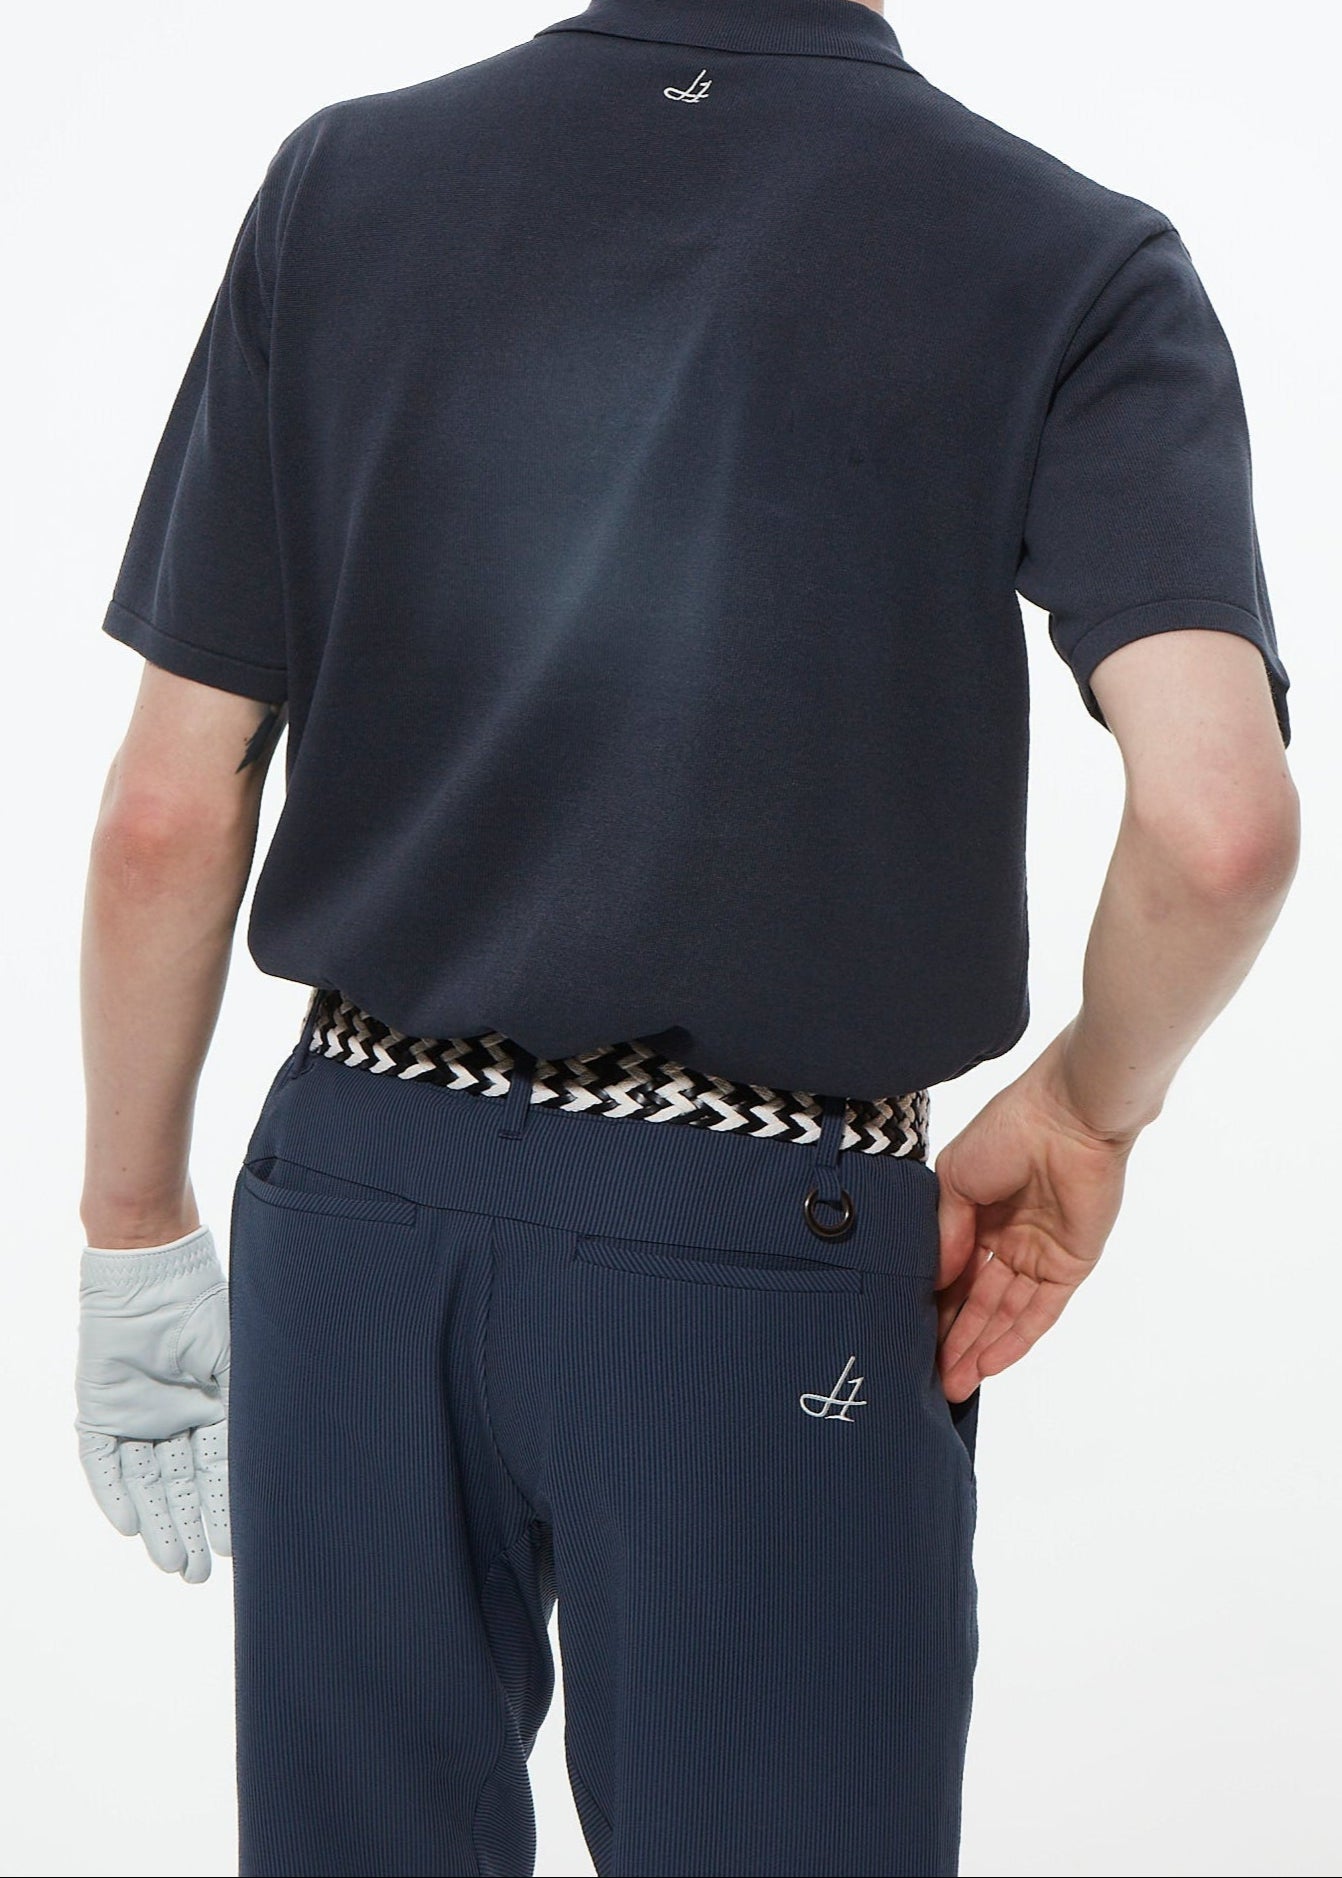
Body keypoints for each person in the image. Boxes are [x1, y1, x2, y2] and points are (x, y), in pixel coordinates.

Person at [74, 2, 1300, 1874]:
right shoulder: (1065, 257)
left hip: (349, 1202)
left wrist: (133, 1226)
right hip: (756, 1242)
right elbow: (1219, 829)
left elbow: (167, 809)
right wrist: (1083, 1107)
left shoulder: (347, 183)